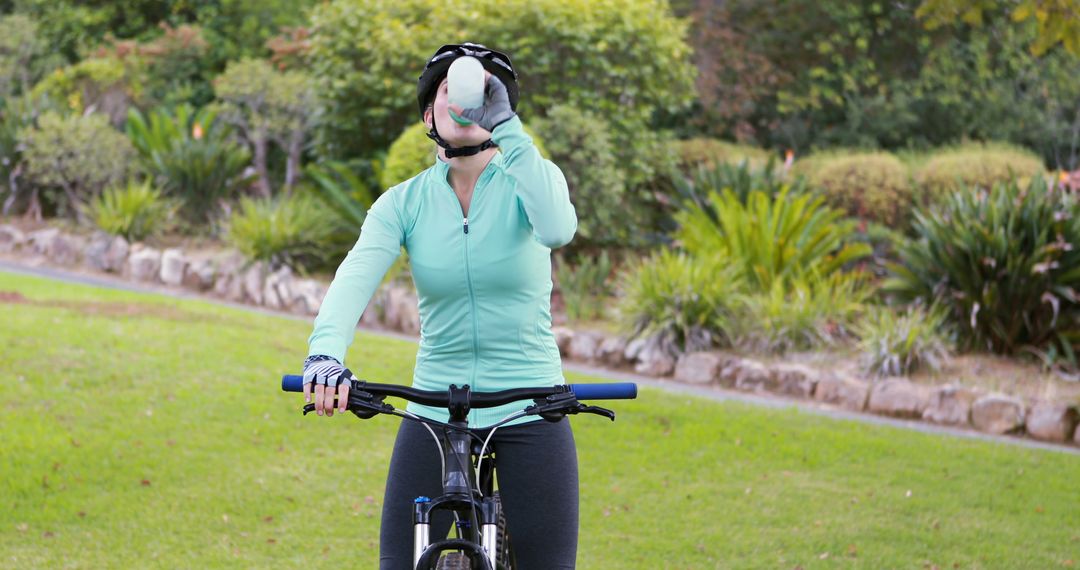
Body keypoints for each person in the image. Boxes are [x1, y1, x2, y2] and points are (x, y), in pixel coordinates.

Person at [301, 43, 580, 569]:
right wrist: (325, 355)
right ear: (430, 113)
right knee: (398, 563)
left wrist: (511, 130)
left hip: (531, 403)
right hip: (434, 406)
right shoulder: (402, 203)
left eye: (485, 93)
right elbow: (353, 279)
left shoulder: (533, 183)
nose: (469, 102)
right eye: (451, 90)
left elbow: (559, 228)